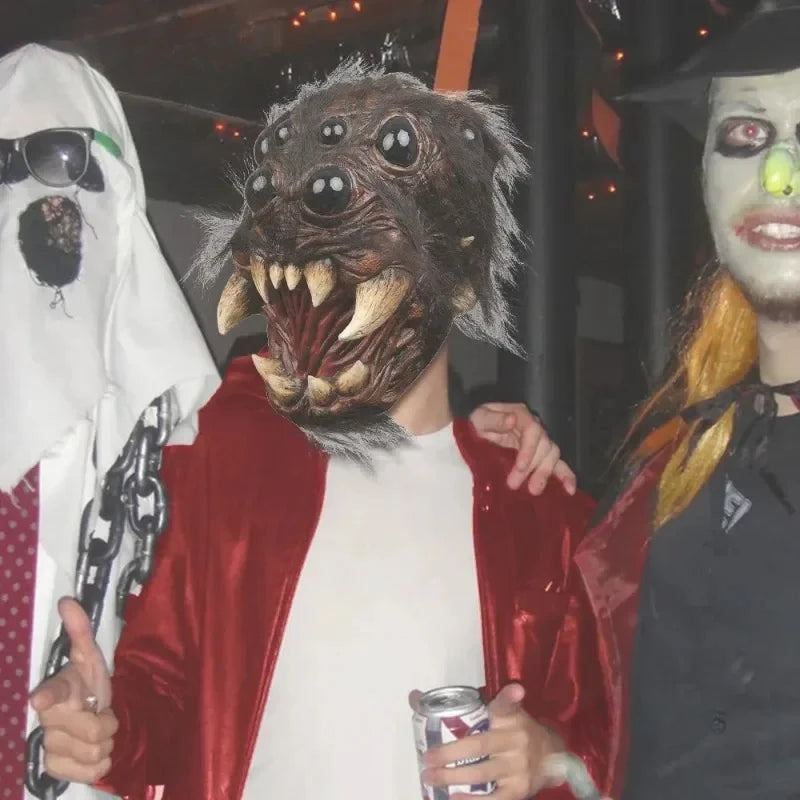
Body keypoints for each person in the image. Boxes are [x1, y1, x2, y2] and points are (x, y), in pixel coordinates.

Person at [29, 63, 594, 800]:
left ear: (460, 264)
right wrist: (105, 734)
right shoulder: (226, 452)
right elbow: (161, 702)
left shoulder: (532, 507)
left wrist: (550, 758)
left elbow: (604, 739)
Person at [424, 2, 800, 798]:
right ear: (706, 174)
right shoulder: (688, 456)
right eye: (745, 136)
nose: (779, 175)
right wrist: (541, 497)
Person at [0, 44, 220, 800]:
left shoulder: (182, 462)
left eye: (67, 159)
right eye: (3, 165)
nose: (38, 192)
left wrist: (114, 727)